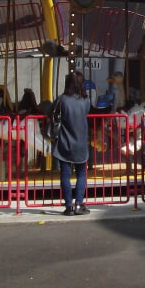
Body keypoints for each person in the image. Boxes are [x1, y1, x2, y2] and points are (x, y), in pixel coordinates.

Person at [52, 71, 92, 216]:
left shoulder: (62, 99)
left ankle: (68, 206)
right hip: (81, 141)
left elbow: (51, 112)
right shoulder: (86, 100)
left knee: (65, 174)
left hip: (64, 141)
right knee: (81, 173)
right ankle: (79, 204)